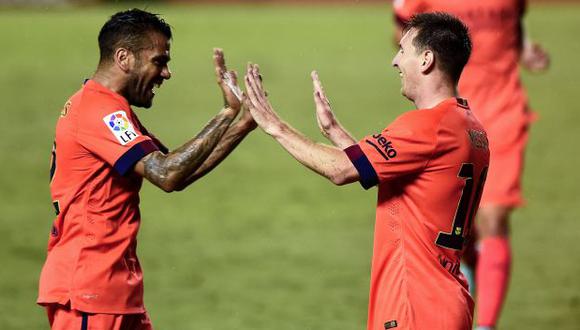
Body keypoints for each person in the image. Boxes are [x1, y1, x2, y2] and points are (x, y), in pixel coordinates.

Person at [244, 12, 489, 330]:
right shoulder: (470, 128)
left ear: (426, 59)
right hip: (446, 301)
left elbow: (341, 170)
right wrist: (334, 130)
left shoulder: (427, 127)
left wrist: (274, 126)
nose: (395, 61)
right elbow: (392, 177)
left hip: (415, 307)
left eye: (403, 49)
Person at [37, 8, 255, 329]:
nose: (166, 73)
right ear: (124, 57)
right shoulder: (98, 111)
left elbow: (180, 172)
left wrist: (244, 121)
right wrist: (226, 113)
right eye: (159, 61)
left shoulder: (112, 110)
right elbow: (167, 174)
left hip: (113, 292)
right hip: (89, 293)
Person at [392, 1, 550, 329]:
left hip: (504, 110)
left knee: (493, 218)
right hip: (449, 116)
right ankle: (469, 278)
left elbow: (516, 18)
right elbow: (402, 34)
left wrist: (524, 49)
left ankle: (486, 326)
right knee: (460, 230)